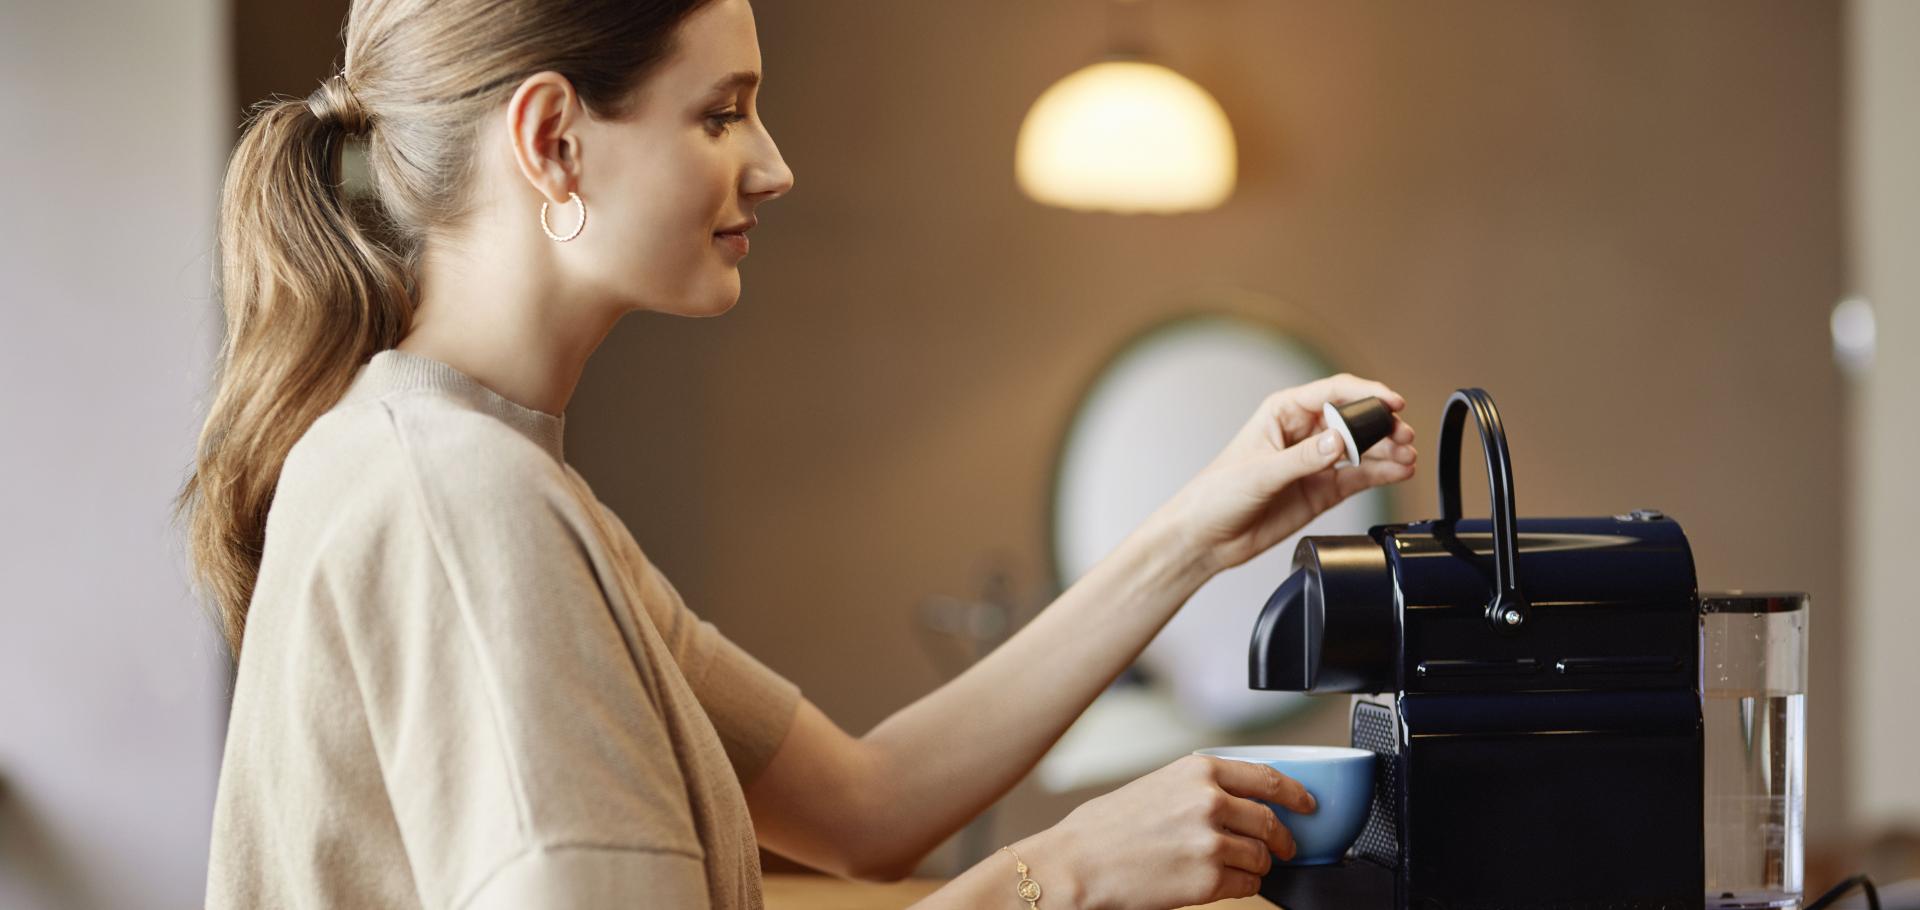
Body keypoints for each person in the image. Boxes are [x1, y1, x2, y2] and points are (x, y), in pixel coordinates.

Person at [174, 0, 1420, 907]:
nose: (772, 165)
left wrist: (1202, 524)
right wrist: (1068, 873)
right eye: (721, 113)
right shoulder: (464, 501)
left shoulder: (461, 471)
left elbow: (867, 804)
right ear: (553, 141)